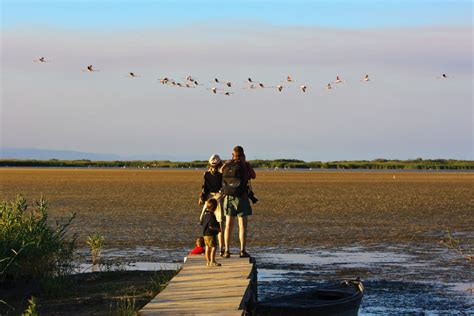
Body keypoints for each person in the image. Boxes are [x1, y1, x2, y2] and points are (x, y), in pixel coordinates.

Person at [221, 146, 256, 258]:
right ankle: (242, 251)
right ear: (242, 155)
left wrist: (228, 162)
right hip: (242, 198)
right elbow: (253, 176)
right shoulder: (246, 165)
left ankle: (226, 251)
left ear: (233, 154)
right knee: (242, 226)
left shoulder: (227, 164)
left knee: (228, 226)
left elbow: (221, 171)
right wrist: (246, 163)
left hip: (228, 197)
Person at [198, 154, 225, 256]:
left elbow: (204, 188)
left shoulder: (214, 174)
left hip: (216, 198)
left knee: (214, 222)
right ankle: (218, 248)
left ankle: (219, 248)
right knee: (216, 223)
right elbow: (204, 188)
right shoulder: (208, 174)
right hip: (213, 198)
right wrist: (201, 196)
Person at [201, 198, 221, 267]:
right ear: (215, 208)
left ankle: (208, 261)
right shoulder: (212, 216)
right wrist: (218, 229)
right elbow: (211, 226)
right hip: (211, 234)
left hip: (205, 234)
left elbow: (202, 223)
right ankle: (213, 261)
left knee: (207, 247)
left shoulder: (205, 215)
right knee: (213, 247)